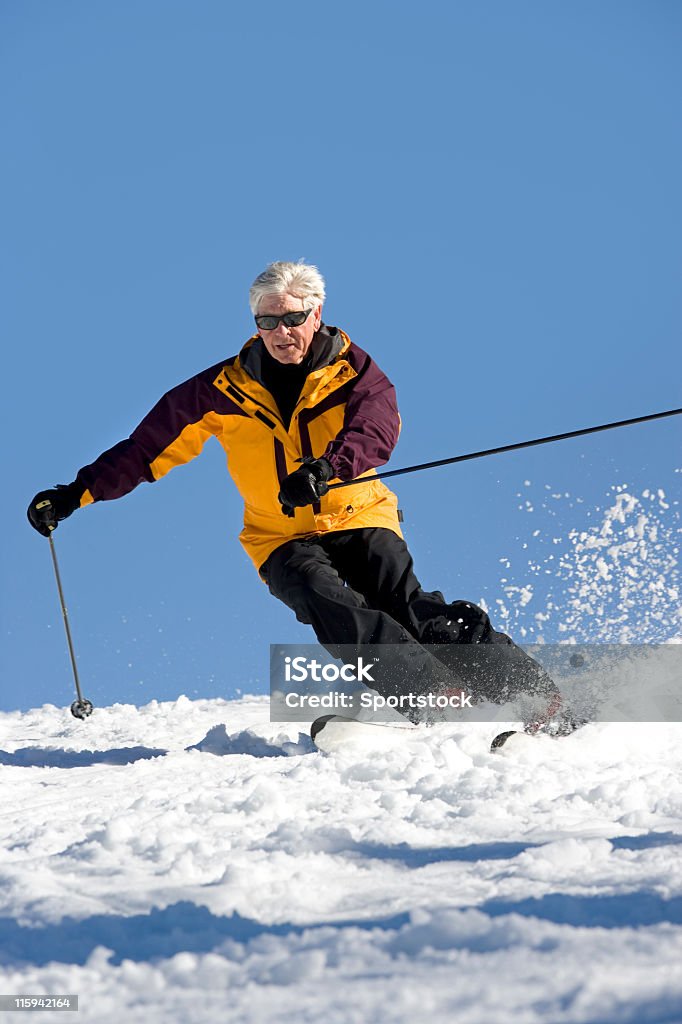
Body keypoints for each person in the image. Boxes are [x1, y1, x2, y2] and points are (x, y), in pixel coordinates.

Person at [28, 260, 564, 732]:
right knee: (324, 598)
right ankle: (437, 701)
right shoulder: (219, 390)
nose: (280, 332)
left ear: (317, 312)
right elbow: (146, 449)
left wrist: (327, 469)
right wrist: (77, 493)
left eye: (291, 319)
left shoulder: (354, 372)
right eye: (267, 321)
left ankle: (539, 699)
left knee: (408, 607)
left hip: (357, 514)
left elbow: (376, 430)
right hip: (277, 536)